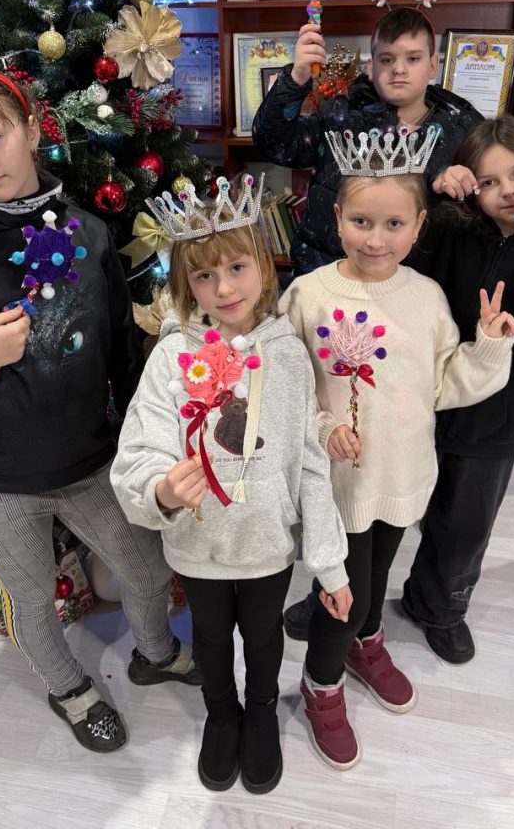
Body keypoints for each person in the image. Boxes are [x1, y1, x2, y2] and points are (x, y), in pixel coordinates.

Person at [0, 67, 200, 755]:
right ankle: (70, 690)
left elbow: (120, 349)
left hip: (88, 460)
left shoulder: (90, 233)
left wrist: (141, 440)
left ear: (31, 130)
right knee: (31, 599)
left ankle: (155, 654)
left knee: (147, 569)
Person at [280, 126, 514, 769]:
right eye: (361, 221)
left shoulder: (426, 297)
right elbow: (284, 385)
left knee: (380, 569)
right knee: (344, 591)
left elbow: (443, 385)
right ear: (337, 217)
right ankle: (322, 683)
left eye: (393, 224)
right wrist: (322, 427)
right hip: (337, 483)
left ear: (419, 226)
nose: (375, 239)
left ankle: (366, 643)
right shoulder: (308, 295)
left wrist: (490, 345)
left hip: (403, 472)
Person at [111, 175, 350, 793]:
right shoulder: (171, 357)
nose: (223, 289)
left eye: (237, 268)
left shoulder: (288, 356)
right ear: (184, 284)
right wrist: (162, 490)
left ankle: (262, 711)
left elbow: (310, 463)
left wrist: (329, 565)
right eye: (204, 276)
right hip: (200, 544)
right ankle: (222, 713)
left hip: (268, 542)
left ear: (263, 267)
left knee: (264, 637)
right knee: (212, 638)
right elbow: (140, 446)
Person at [398, 117, 514, 661]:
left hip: (492, 425)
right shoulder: (450, 229)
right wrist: (435, 194)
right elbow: (401, 274)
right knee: (377, 509)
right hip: (421, 404)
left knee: (462, 527)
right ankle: (343, 600)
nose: (508, 189)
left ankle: (439, 607)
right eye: (488, 180)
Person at [252, 7, 483, 275]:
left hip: (413, 284)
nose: (399, 69)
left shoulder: (463, 131)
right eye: (386, 59)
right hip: (327, 276)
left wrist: (452, 181)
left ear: (433, 66)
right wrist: (297, 78)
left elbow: (486, 212)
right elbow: (275, 144)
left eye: (413, 58)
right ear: (371, 68)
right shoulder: (339, 117)